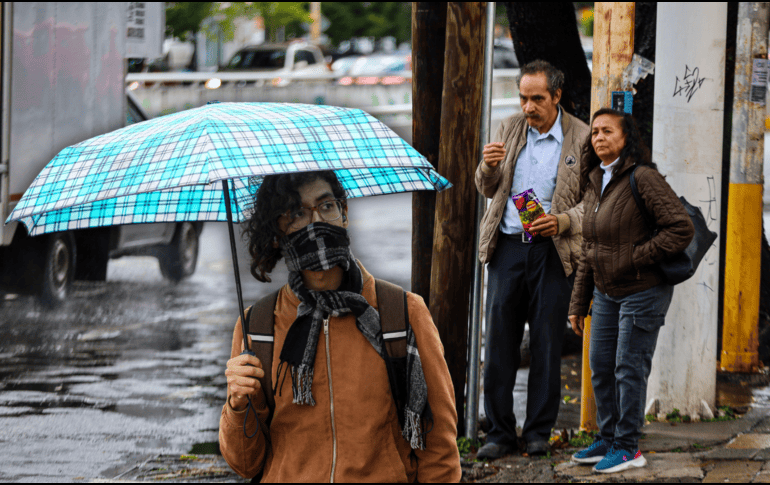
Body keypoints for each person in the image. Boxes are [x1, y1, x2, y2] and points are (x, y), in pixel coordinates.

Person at [218, 170, 461, 482]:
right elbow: (245, 464)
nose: (316, 221)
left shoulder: (402, 313)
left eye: (326, 206)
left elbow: (438, 447)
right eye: (297, 213)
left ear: (344, 213)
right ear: (277, 231)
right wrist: (238, 404)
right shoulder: (257, 326)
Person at [568, 109, 694, 474]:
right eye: (595, 132)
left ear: (626, 139)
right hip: (607, 292)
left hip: (643, 289)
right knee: (600, 365)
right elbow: (589, 248)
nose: (599, 137)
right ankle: (608, 438)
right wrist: (578, 303)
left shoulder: (643, 177)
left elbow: (680, 228)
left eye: (608, 131)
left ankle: (627, 446)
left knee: (629, 367)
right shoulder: (596, 180)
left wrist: (637, 256)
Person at [475, 60, 589, 459]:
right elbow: (487, 187)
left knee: (546, 342)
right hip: (508, 247)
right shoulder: (509, 127)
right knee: (499, 344)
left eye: (537, 98)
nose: (528, 107)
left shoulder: (581, 138)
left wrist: (561, 221)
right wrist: (488, 166)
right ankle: (499, 433)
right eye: (523, 98)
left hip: (552, 251)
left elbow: (593, 203)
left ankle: (539, 431)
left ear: (556, 96)